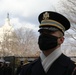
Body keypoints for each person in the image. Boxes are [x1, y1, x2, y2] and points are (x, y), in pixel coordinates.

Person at [20, 11, 76, 75]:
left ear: (61, 40)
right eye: (41, 32)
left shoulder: (72, 69)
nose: (44, 36)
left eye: (49, 32)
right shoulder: (27, 69)